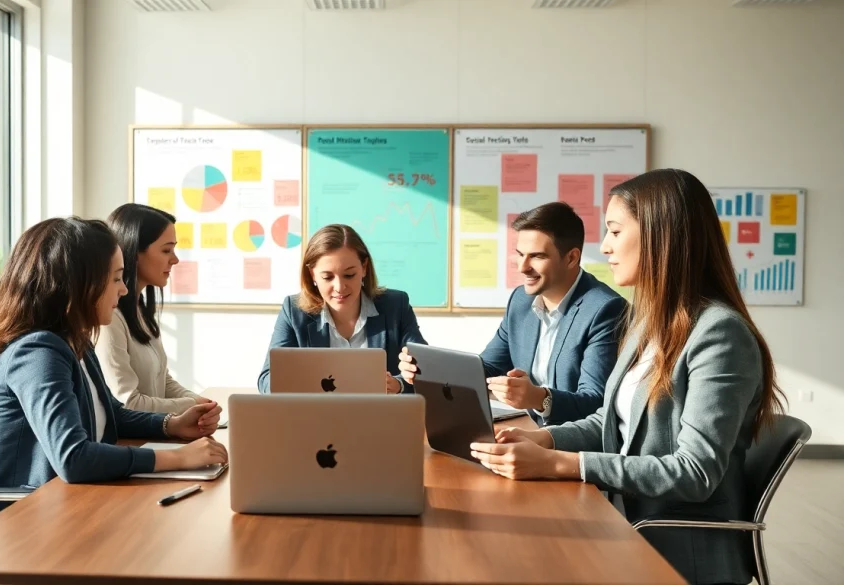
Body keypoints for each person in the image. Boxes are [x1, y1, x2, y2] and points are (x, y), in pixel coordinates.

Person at [470, 169, 786, 585]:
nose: (604, 247)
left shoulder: (719, 334)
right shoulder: (648, 323)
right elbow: (611, 421)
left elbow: (695, 473)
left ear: (660, 237)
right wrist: (543, 439)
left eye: (615, 232)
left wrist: (561, 463)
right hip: (620, 517)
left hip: (668, 543)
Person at [0, 217, 227, 527]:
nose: (123, 290)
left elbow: (113, 415)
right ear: (79, 285)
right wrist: (178, 458)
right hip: (27, 520)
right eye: (116, 279)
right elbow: (73, 458)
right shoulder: (37, 353)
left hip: (73, 502)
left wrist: (171, 426)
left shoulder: (74, 339)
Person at [399, 201, 626, 425]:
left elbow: (596, 403)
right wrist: (427, 372)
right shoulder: (521, 301)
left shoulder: (605, 309)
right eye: (520, 254)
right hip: (526, 431)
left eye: (537, 256)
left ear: (571, 258)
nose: (522, 267)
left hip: (574, 448)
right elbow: (486, 368)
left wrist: (540, 398)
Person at [258, 224, 426, 394]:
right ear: (312, 275)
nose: (339, 287)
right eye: (327, 277)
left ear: (364, 268)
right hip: (315, 417)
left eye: (349, 275)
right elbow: (266, 380)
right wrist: (301, 384)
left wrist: (399, 385)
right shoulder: (293, 311)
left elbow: (426, 374)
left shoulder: (396, 305)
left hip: (380, 417)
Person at [96, 203, 215, 415]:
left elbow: (163, 381)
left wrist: (200, 401)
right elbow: (128, 402)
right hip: (132, 441)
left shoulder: (139, 310)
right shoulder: (110, 318)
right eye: (166, 250)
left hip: (155, 431)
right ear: (134, 252)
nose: (175, 259)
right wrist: (191, 406)